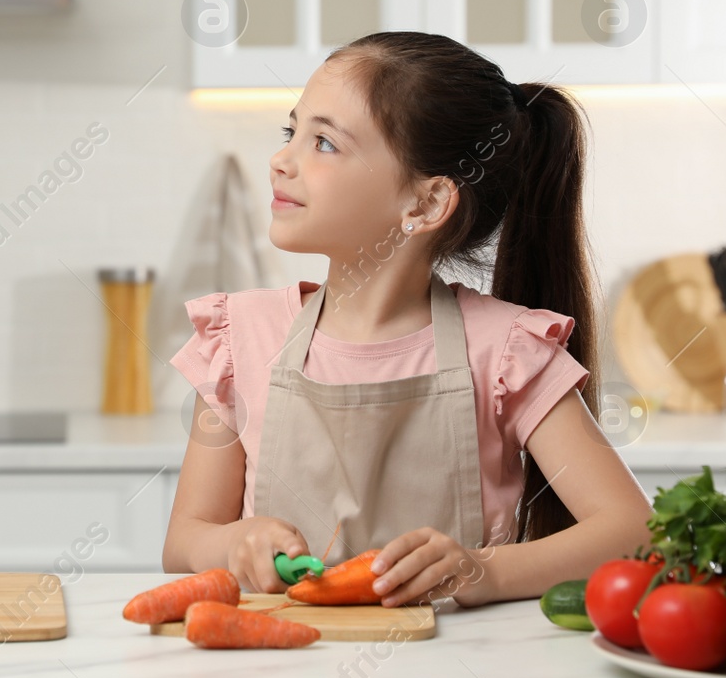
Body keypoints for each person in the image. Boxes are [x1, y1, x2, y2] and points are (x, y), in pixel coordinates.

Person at [162, 32, 652, 605]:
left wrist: (483, 571)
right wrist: (232, 544)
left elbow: (634, 532)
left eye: (323, 143)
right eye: (291, 132)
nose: (281, 159)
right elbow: (183, 542)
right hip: (278, 672)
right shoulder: (238, 338)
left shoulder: (506, 353)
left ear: (424, 204)